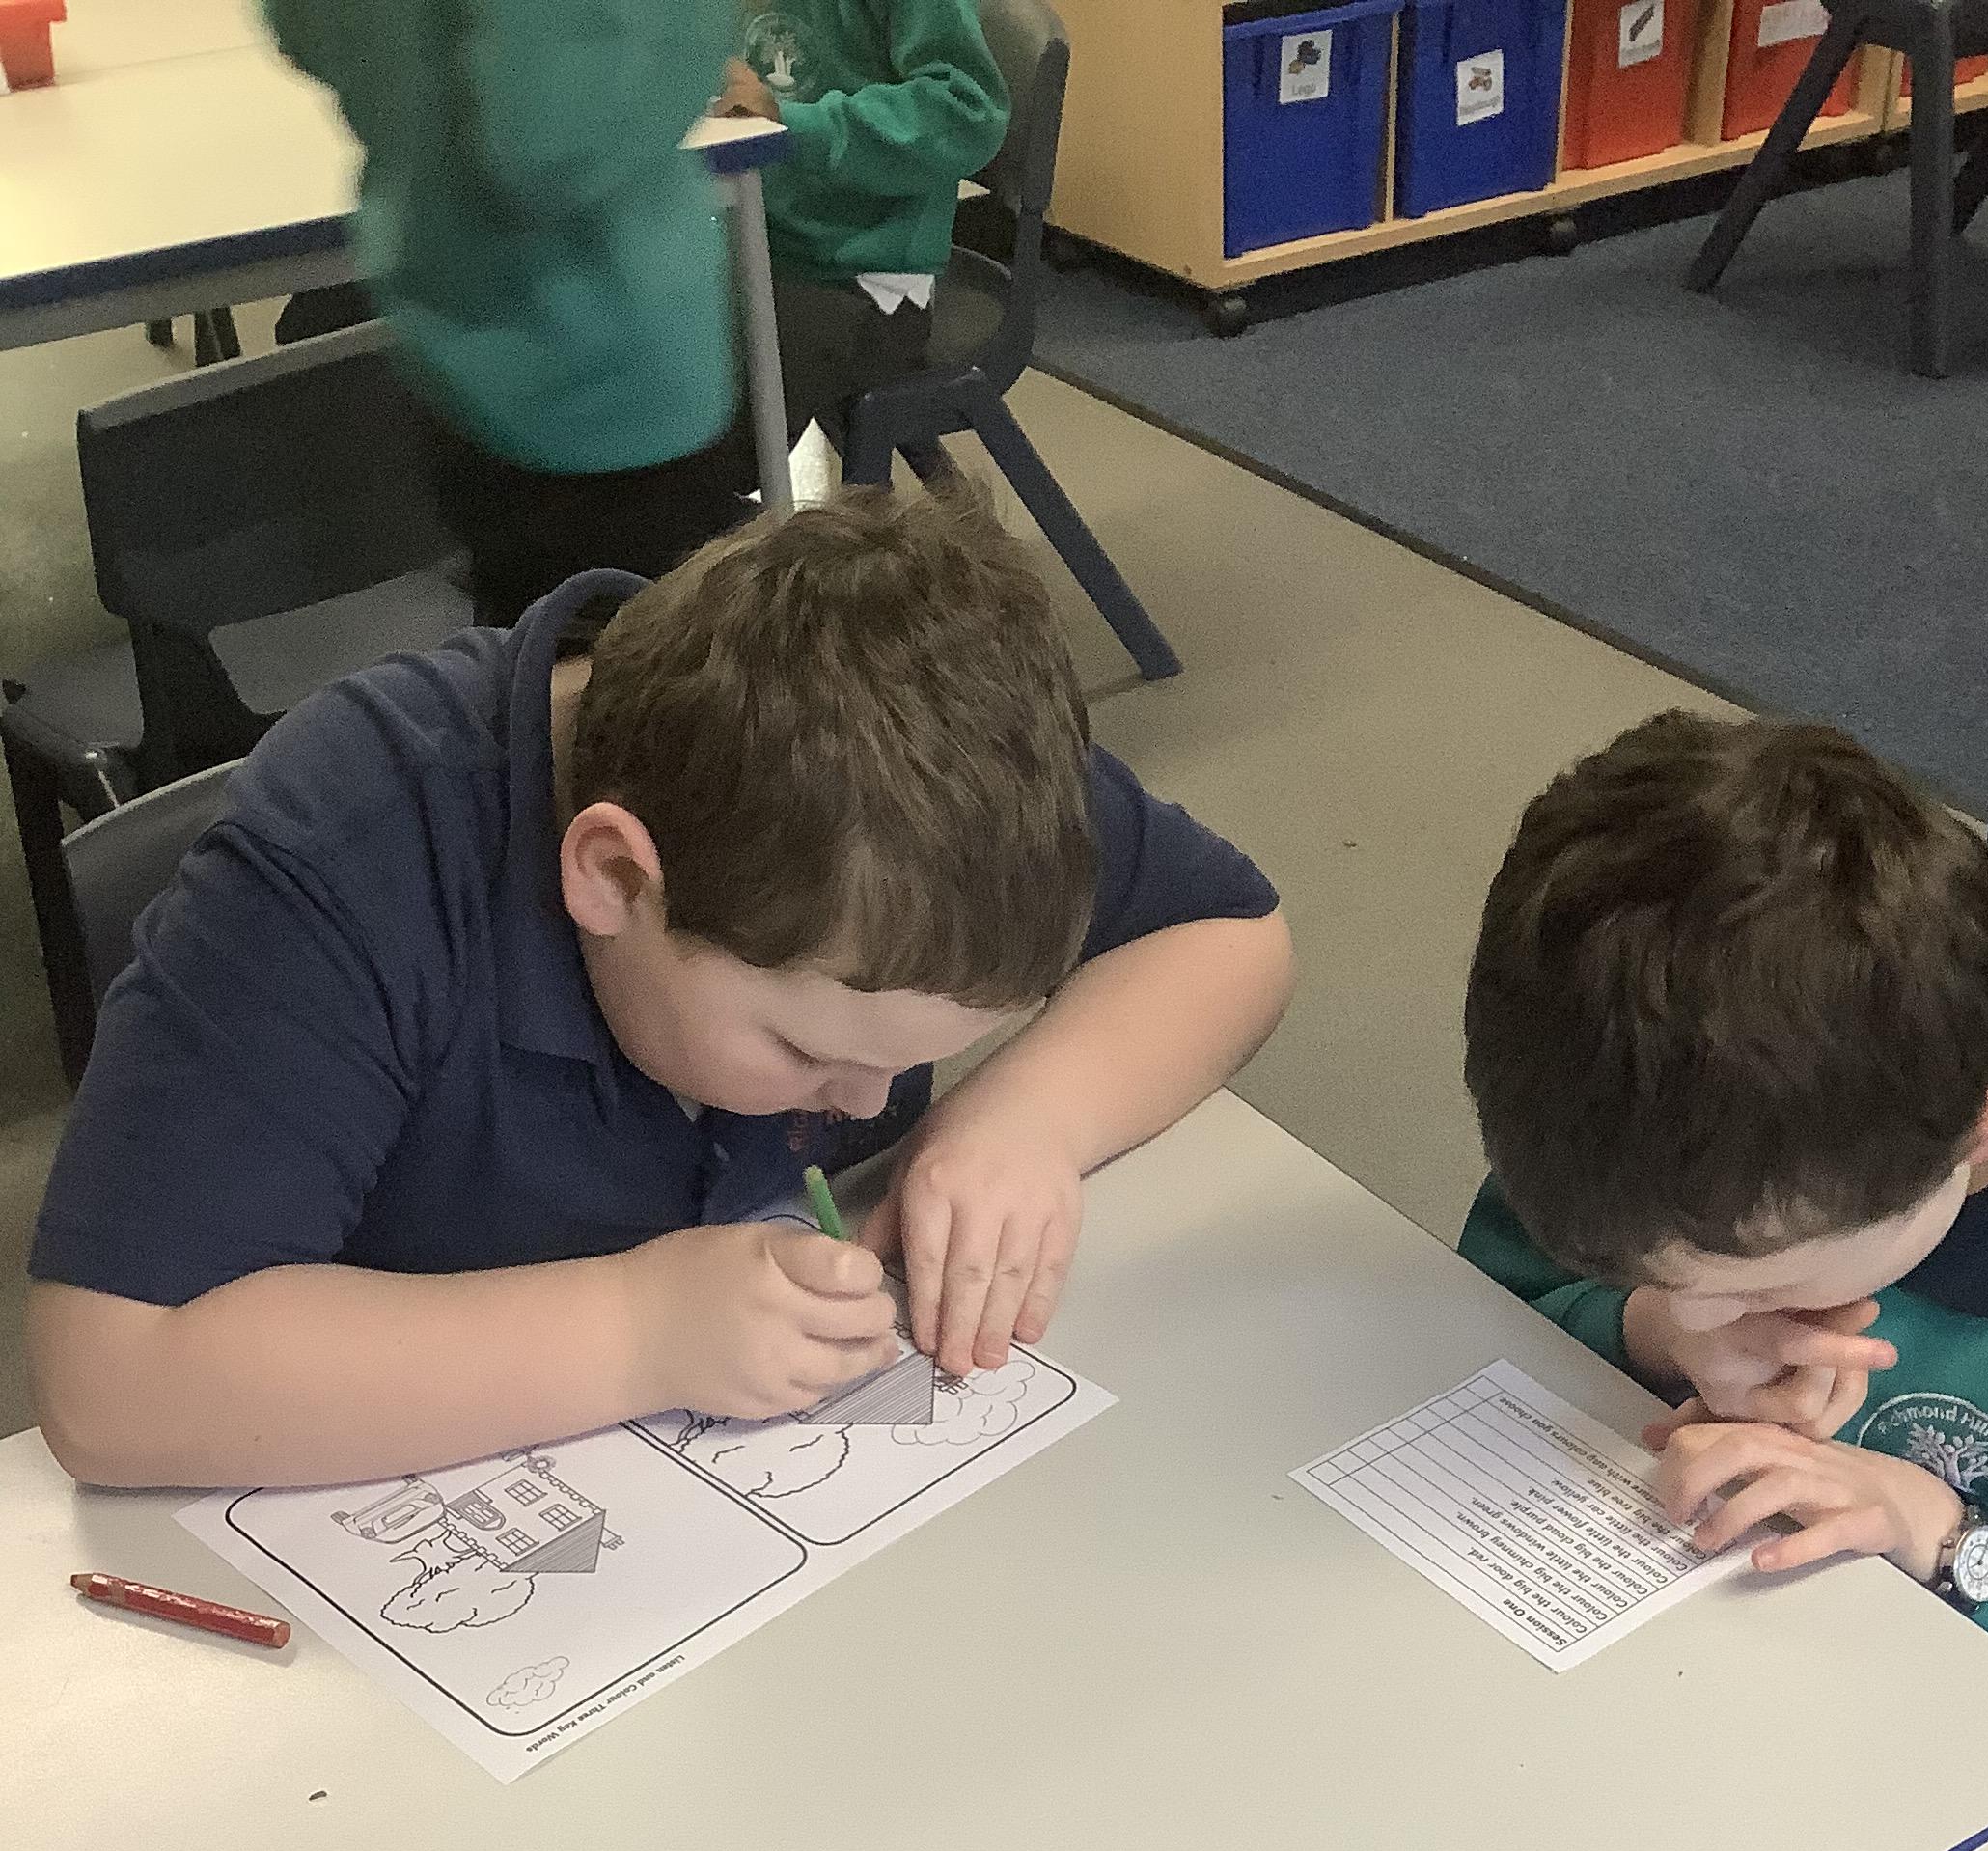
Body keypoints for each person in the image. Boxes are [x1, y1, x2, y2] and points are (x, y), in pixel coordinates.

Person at [28, 492, 1294, 1493]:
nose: (868, 1102)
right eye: (804, 1051)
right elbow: (110, 1381)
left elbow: (1233, 936)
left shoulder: (931, 789)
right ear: (615, 877)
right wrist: (635, 1333)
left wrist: (1024, 1123)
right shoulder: (355, 851)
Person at [1457, 711, 1988, 1787]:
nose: (1695, 1312)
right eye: (1656, 1282)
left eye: (1760, 1286)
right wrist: (1648, 1335)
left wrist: (1942, 1534)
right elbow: (1480, 1297)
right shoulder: (1644, 1093)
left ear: (1983, 1140)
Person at [262, 0, 752, 623]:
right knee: (644, 664)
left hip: (455, 329)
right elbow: (546, 137)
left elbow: (304, 29)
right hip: (605, 374)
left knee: (527, 650)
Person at [714, 0, 1009, 459]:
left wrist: (791, 125)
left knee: (691, 420)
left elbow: (969, 114)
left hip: (858, 278)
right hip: (753, 248)